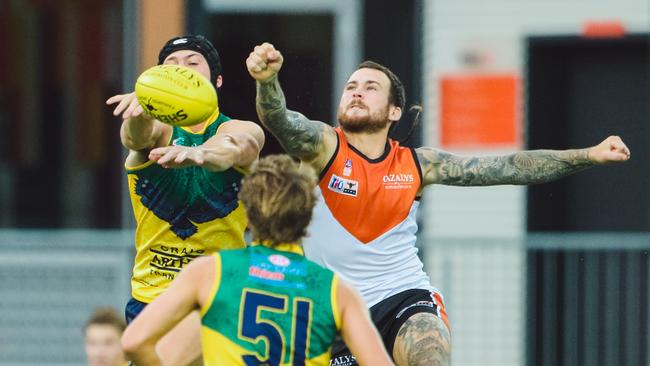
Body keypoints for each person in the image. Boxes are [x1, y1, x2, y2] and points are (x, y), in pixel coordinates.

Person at [245, 42, 631, 366]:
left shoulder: (417, 164)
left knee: (429, 353)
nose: (357, 91)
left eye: (370, 87)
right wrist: (267, 82)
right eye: (351, 86)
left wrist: (589, 154)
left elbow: (507, 166)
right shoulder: (323, 145)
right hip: (330, 308)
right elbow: (281, 120)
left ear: (394, 111)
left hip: (401, 296)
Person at [121, 154, 395, 366]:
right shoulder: (336, 291)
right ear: (308, 218)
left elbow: (135, 341)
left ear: (248, 217)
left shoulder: (211, 272)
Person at [106, 35, 265, 365]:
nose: (182, 72)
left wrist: (200, 153)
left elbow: (238, 146)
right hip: (154, 298)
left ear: (216, 81)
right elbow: (135, 138)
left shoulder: (237, 127)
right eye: (171, 66)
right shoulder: (154, 131)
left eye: (193, 64)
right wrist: (141, 110)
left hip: (221, 292)